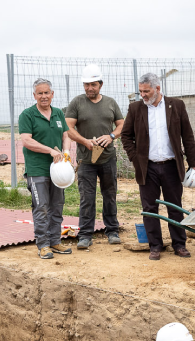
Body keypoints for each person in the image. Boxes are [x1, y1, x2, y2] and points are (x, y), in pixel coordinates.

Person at [121, 73, 195, 261]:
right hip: (147, 168)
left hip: (172, 165)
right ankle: (155, 245)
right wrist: (135, 158)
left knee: (175, 206)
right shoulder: (135, 109)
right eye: (141, 91)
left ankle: (179, 244)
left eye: (146, 91)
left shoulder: (176, 106)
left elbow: (187, 136)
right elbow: (126, 136)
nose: (143, 95)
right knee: (149, 208)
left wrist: (194, 163)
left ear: (157, 89)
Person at [65, 64, 125, 248]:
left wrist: (111, 136)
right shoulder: (77, 103)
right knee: (87, 198)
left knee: (110, 195)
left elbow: (122, 125)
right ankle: (85, 235)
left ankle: (112, 231)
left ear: (101, 84)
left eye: (93, 84)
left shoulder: (110, 103)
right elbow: (68, 128)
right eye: (86, 84)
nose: (89, 88)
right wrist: (84, 142)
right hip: (86, 160)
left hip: (108, 158)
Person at [20, 78, 73, 260]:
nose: (44, 96)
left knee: (57, 205)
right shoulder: (27, 115)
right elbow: (27, 140)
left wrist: (65, 151)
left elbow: (66, 135)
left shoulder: (58, 113)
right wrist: (50, 150)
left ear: (52, 94)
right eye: (40, 93)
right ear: (34, 95)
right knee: (41, 207)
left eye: (46, 92)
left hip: (58, 170)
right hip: (38, 169)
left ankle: (55, 240)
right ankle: (43, 244)